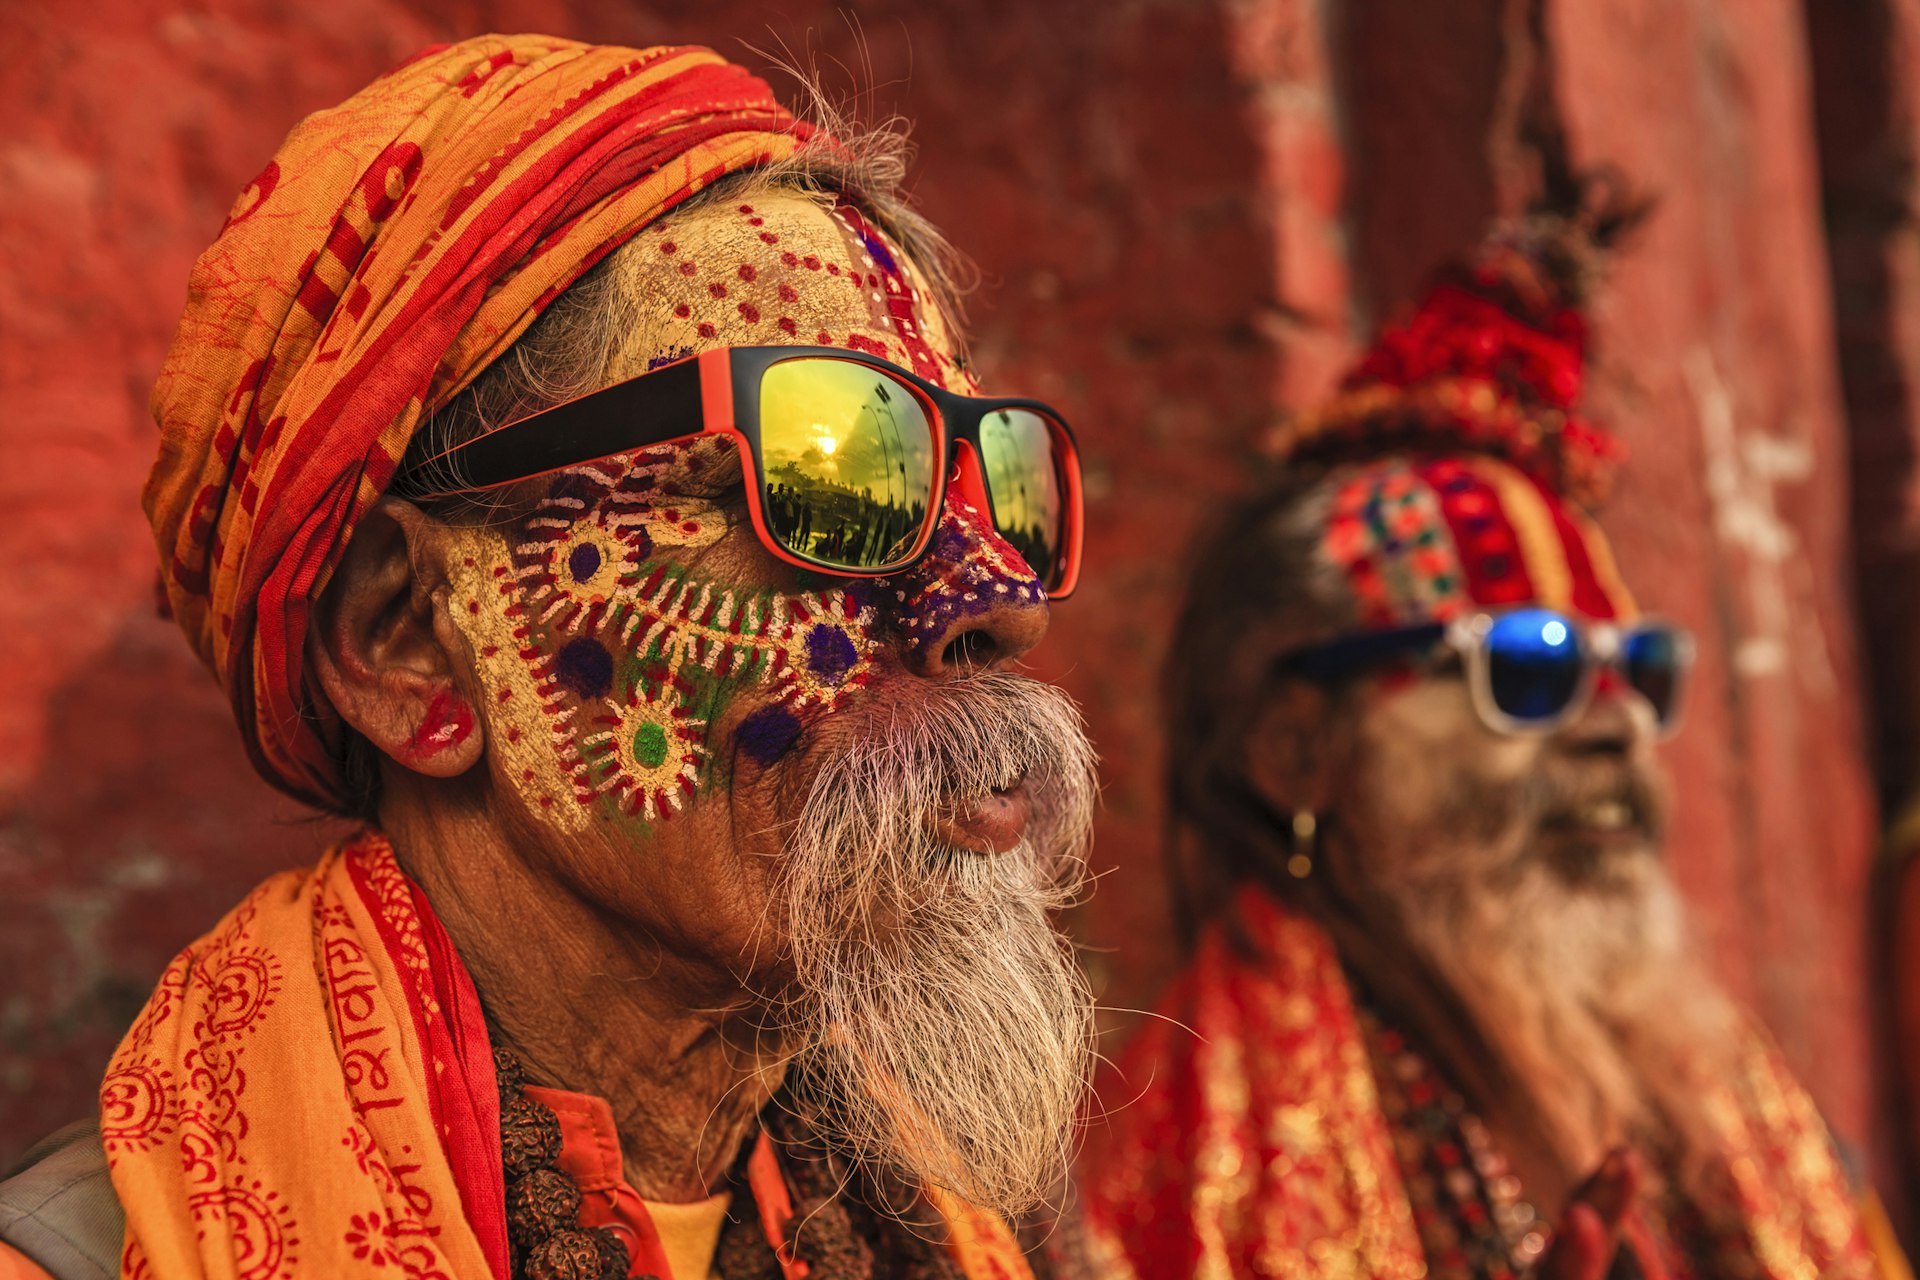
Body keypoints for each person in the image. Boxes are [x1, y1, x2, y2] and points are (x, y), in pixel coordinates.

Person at [0, 35, 1098, 1280]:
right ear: (406, 639)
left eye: (996, 479)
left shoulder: (966, 1225)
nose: (997, 598)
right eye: (831, 471)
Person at [1082, 195, 1903, 1279]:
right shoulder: (1195, 1171)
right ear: (1295, 747)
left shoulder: (1729, 1099)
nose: (1611, 724)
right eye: (1529, 668)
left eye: (1637, 671)